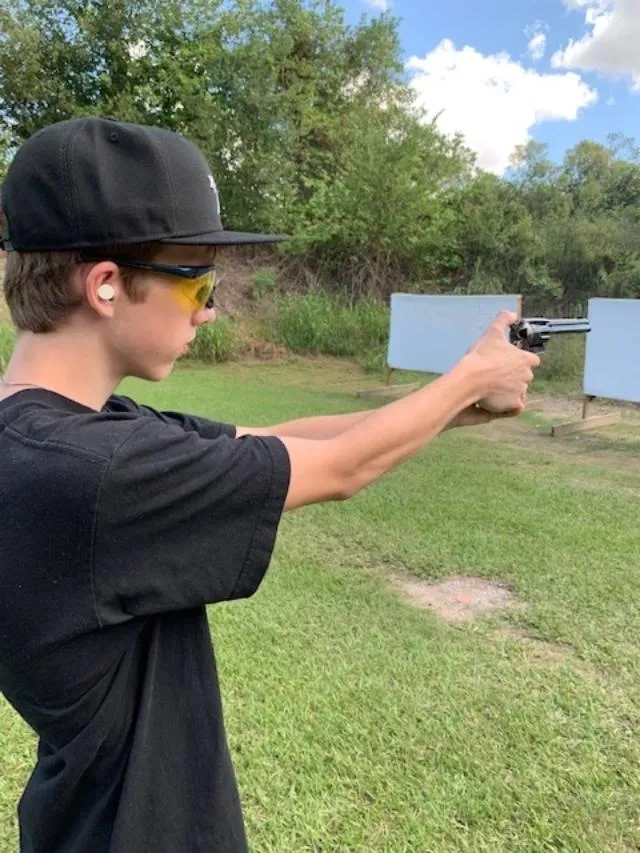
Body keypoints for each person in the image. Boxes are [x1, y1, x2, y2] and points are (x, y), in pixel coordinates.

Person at [0, 117, 540, 853]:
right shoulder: (95, 469)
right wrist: (473, 374)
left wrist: (455, 406)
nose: (212, 310)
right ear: (105, 285)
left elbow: (273, 439)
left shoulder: (62, 434)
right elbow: (340, 469)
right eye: (197, 284)